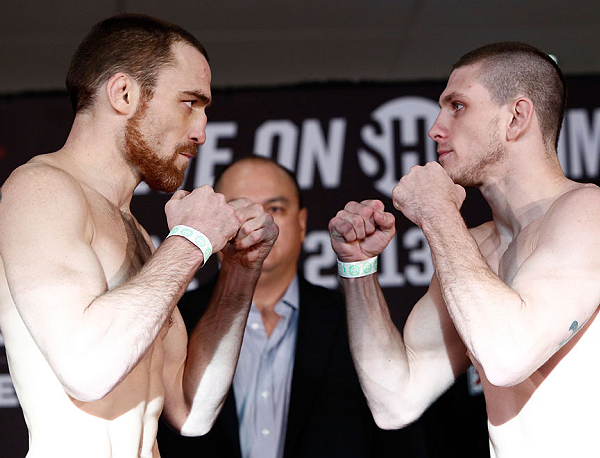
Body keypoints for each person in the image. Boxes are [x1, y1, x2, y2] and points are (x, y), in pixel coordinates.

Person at [328, 42, 600, 457]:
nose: (435, 128)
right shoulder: (478, 248)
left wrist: (436, 212)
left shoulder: (595, 213)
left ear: (516, 117)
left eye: (457, 106)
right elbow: (395, 399)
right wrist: (358, 268)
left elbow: (507, 357)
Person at [0, 14, 278, 458]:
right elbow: (86, 368)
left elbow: (191, 414)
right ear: (123, 94)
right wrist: (193, 240)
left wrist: (239, 272)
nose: (201, 131)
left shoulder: (136, 231)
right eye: (189, 103)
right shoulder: (38, 190)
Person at [157, 156, 431, 458]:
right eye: (240, 209)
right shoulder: (174, 318)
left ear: (301, 224)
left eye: (275, 209)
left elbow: (399, 438)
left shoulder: (353, 318)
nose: (259, 222)